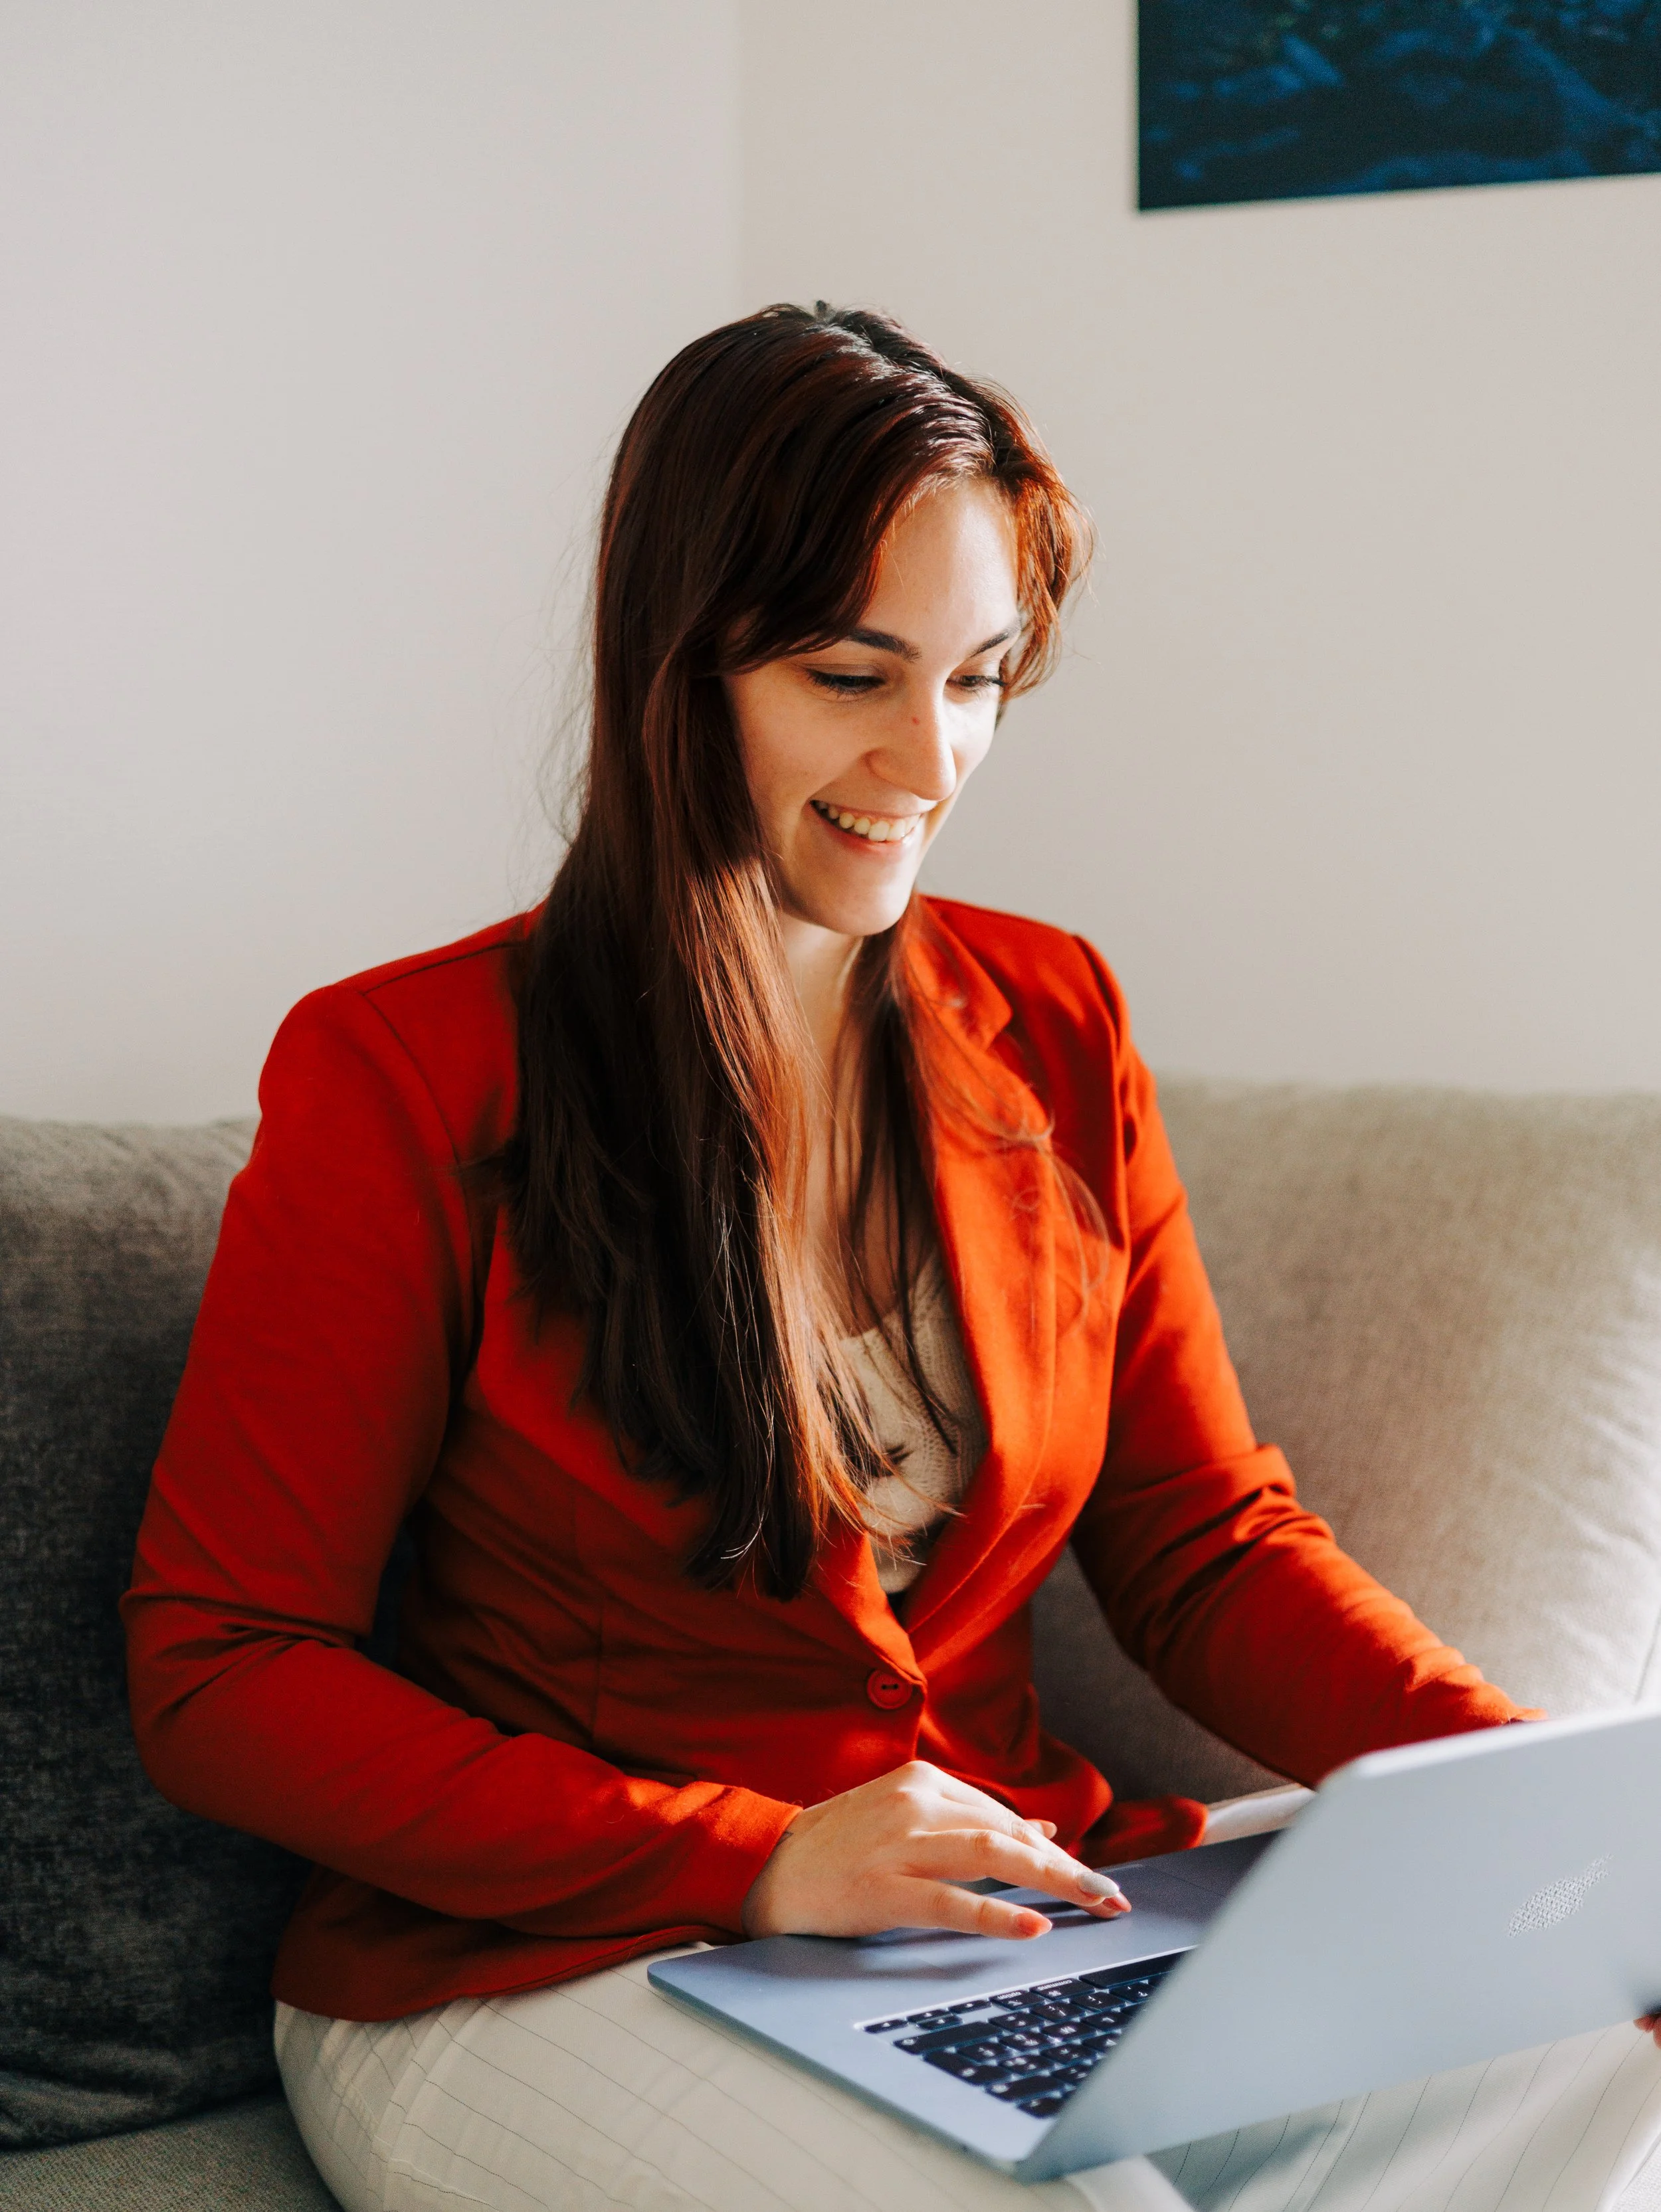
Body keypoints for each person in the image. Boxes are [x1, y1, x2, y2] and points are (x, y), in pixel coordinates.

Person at [122, 306, 1660, 2212]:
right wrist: (754, 1855)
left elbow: (1201, 1550)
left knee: (1580, 2040)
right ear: (676, 665)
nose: (925, 759)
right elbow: (224, 1667)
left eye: (980, 677)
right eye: (855, 673)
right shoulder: (400, 1073)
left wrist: (1570, 1838)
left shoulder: (1055, 1014)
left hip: (1000, 1929)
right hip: (548, 1971)